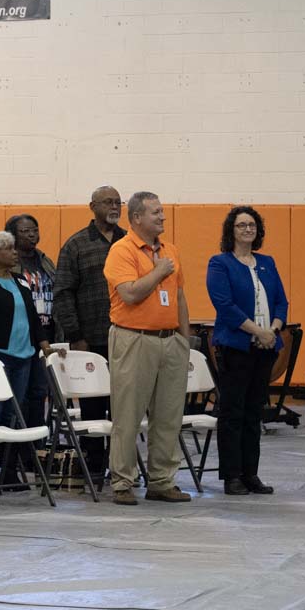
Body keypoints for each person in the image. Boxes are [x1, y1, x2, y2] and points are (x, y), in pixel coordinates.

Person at [103, 191, 192, 506]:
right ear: (137, 217)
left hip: (170, 341)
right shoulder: (121, 250)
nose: (162, 217)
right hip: (134, 339)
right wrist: (158, 272)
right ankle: (122, 482)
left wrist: (184, 341)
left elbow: (179, 297)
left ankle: (162, 481)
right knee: (128, 415)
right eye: (156, 212)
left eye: (162, 211)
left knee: (169, 416)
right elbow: (129, 294)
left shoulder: (170, 251)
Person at [0, 231, 64, 489]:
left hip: (24, 356)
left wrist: (44, 344)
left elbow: (32, 316)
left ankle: (9, 472)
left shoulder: (20, 281)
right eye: (8, 248)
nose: (15, 252)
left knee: (13, 415)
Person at [206, 206, 287, 496]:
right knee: (233, 412)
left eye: (251, 225)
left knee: (254, 412)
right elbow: (225, 306)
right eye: (241, 225)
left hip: (266, 347)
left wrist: (273, 331)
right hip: (236, 347)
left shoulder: (267, 262)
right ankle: (232, 476)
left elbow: (281, 302)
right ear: (231, 230)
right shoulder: (220, 263)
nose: (247, 229)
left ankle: (251, 473)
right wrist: (258, 332)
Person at [53, 186, 126, 475]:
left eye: (118, 202)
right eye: (108, 202)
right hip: (90, 339)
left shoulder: (130, 242)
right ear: (92, 206)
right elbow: (63, 293)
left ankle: (122, 466)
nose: (114, 207)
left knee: (124, 407)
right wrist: (75, 336)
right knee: (93, 409)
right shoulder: (76, 245)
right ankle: (94, 467)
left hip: (127, 338)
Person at [6, 214, 56, 437]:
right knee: (21, 393)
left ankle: (37, 443)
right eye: (25, 231)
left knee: (39, 391)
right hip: (22, 336)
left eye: (34, 230)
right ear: (12, 236)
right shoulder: (9, 264)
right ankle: (19, 443)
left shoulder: (45, 261)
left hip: (47, 333)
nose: (32, 235)